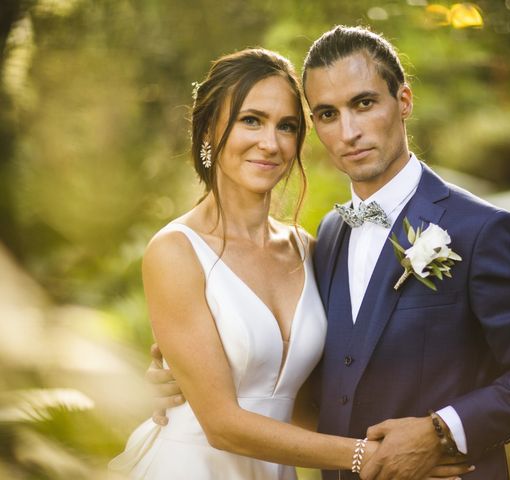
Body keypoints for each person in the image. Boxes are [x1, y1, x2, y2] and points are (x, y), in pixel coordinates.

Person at [148, 26, 510, 480]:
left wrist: (440, 432)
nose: (349, 132)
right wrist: (180, 373)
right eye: (328, 115)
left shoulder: (481, 229)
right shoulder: (328, 239)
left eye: (364, 103)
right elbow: (298, 375)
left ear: (404, 102)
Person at [110, 47, 471, 480]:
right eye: (251, 120)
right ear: (208, 130)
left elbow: (312, 400)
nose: (271, 142)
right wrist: (369, 457)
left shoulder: (310, 247)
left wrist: (419, 440)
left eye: (287, 126)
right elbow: (222, 424)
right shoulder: (175, 250)